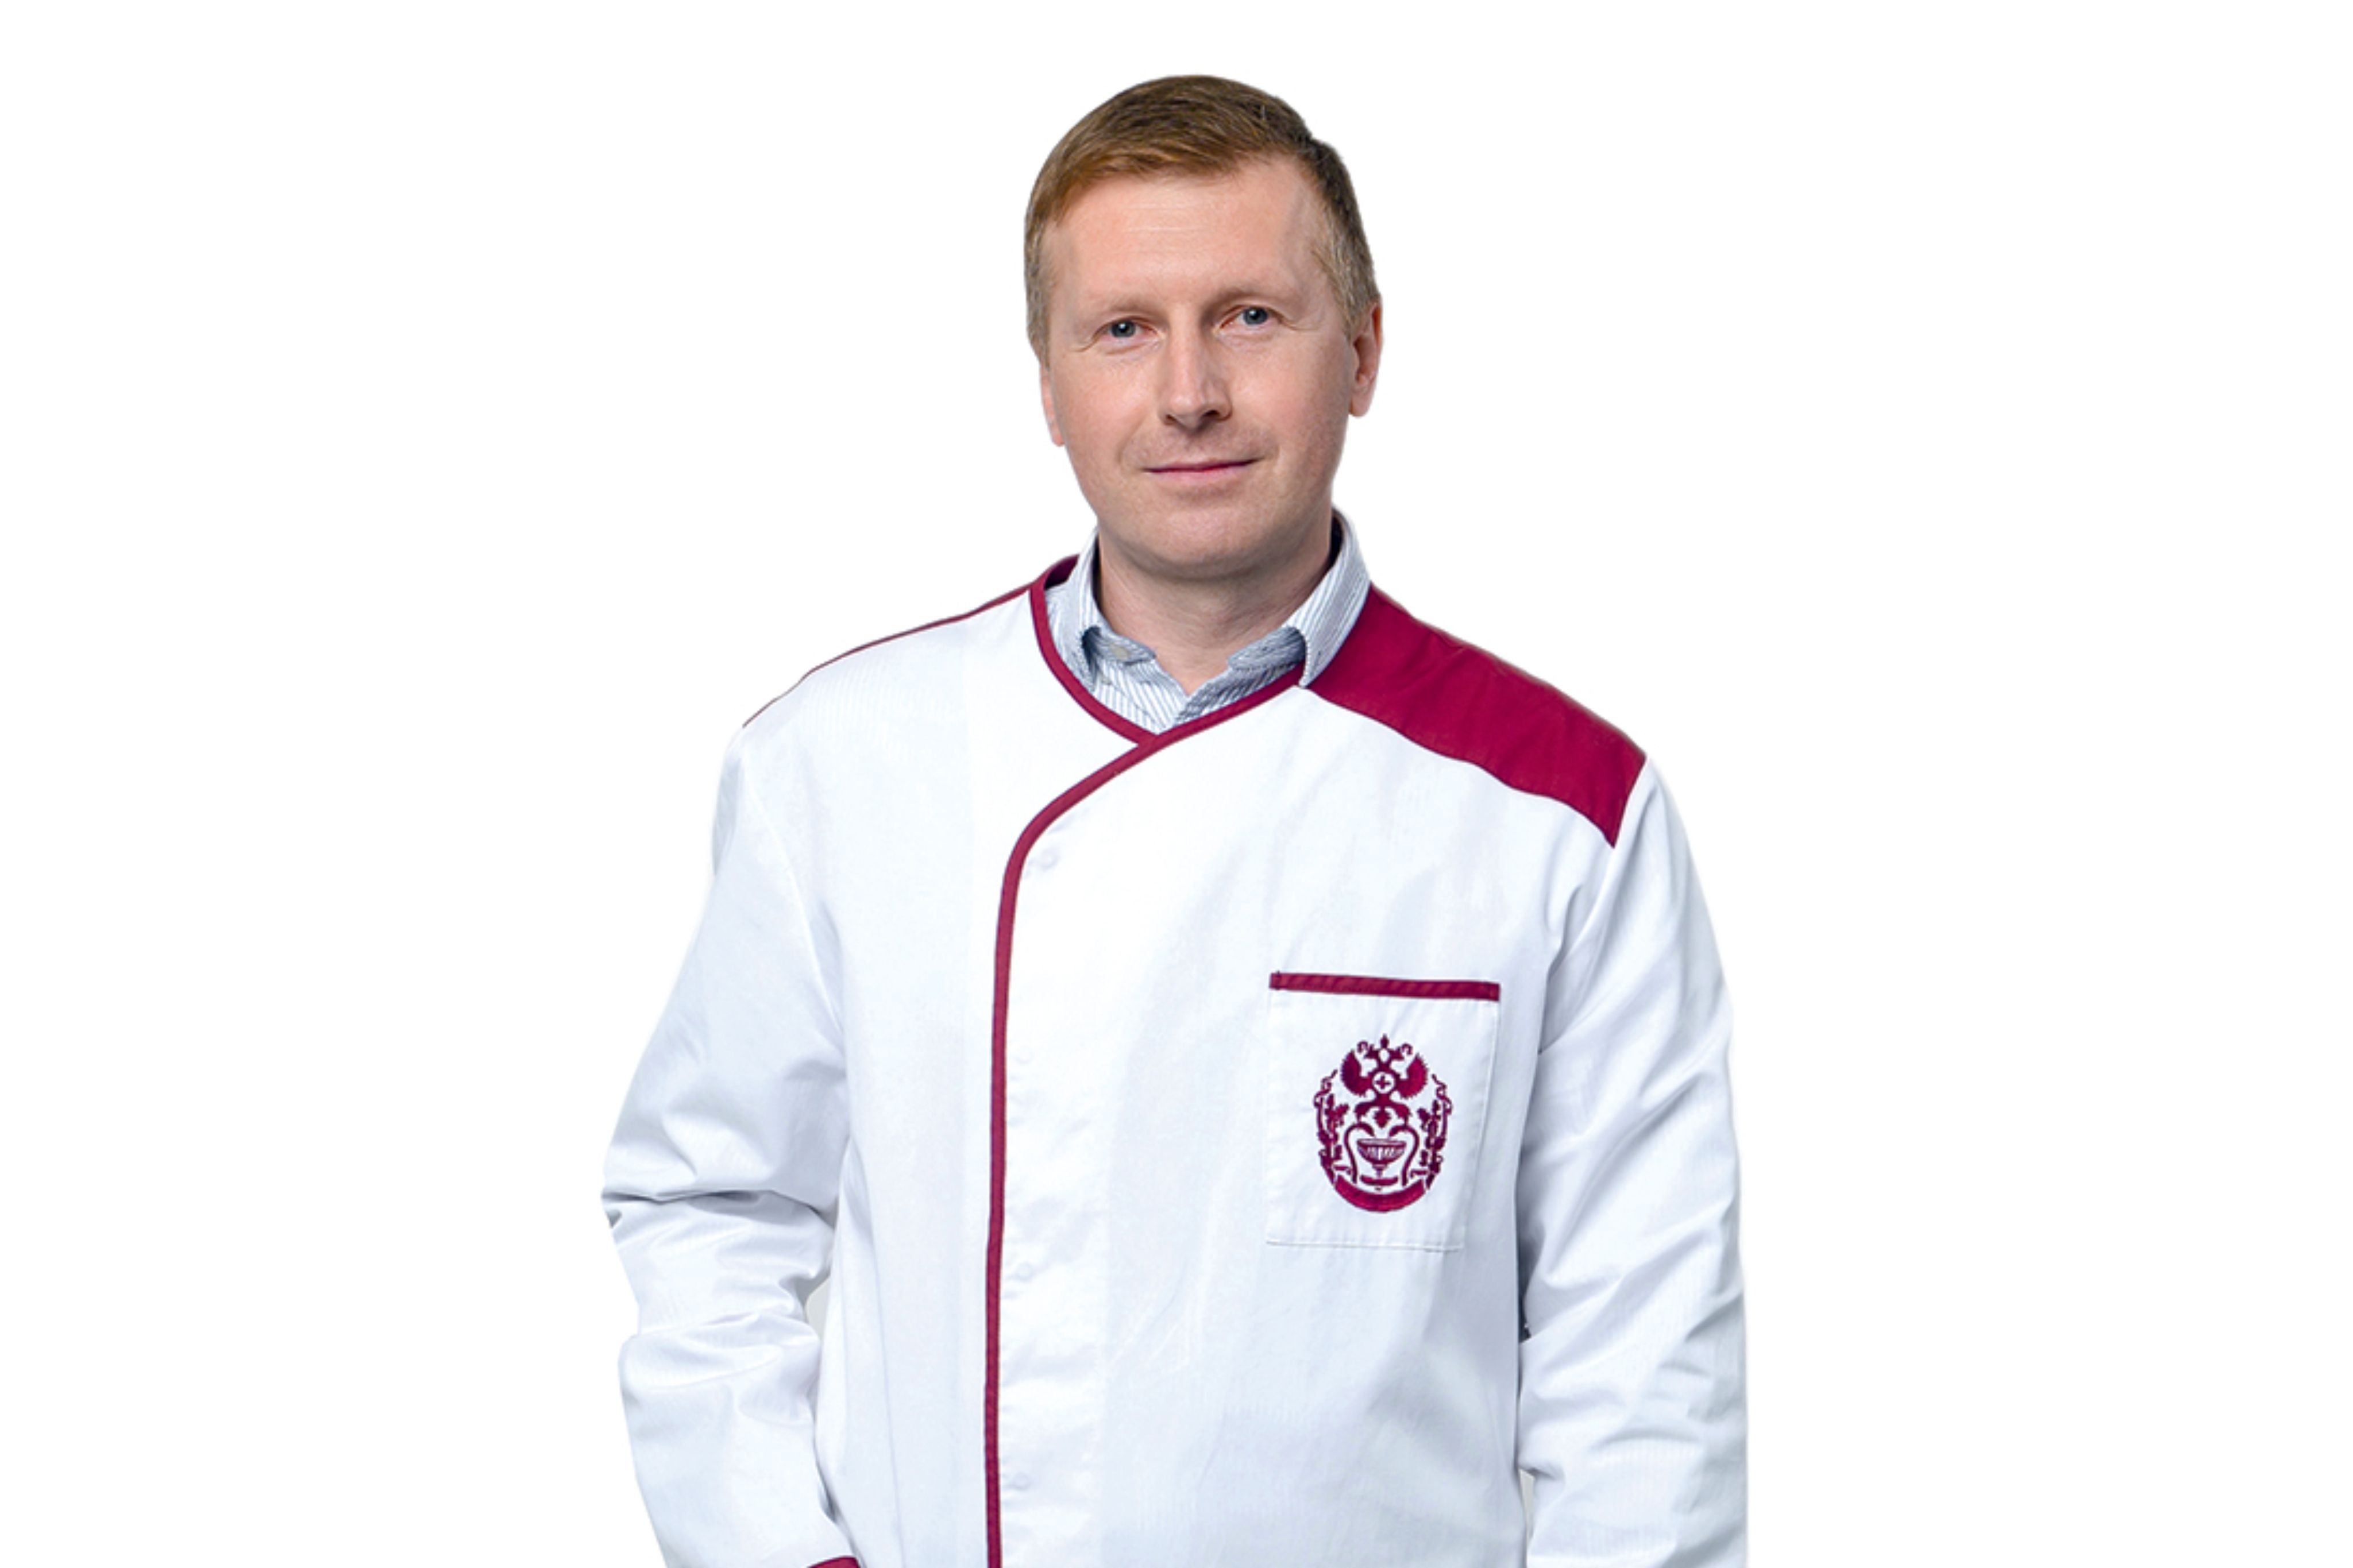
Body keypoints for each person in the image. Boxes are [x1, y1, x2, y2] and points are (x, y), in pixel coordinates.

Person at [600, 74, 1746, 1568]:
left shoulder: (1560, 808)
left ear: (1364, 350)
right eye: (1124, 329)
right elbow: (710, 1209)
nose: (1189, 390)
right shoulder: (835, 766)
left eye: (1251, 317)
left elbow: (1646, 1374)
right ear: (1049, 383)